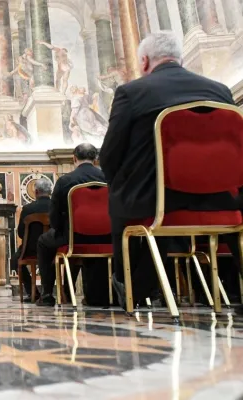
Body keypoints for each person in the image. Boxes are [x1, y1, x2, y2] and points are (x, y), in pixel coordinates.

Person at [99, 31, 237, 308]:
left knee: (119, 201)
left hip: (155, 199)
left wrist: (119, 182)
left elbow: (109, 156)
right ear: (180, 58)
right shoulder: (219, 91)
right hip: (222, 201)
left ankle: (130, 287)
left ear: (145, 60)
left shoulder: (132, 92)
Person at [36, 143, 107, 306]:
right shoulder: (108, 178)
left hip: (73, 237)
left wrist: (60, 229)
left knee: (42, 242)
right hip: (106, 238)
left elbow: (54, 217)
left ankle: (47, 294)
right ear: (95, 159)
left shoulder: (65, 181)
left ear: (74, 158)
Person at [10, 178, 52, 301]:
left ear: (36, 191)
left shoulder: (28, 209)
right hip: (55, 248)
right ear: (50, 191)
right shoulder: (56, 207)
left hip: (31, 250)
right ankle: (49, 291)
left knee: (15, 260)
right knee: (53, 262)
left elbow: (21, 233)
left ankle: (32, 292)